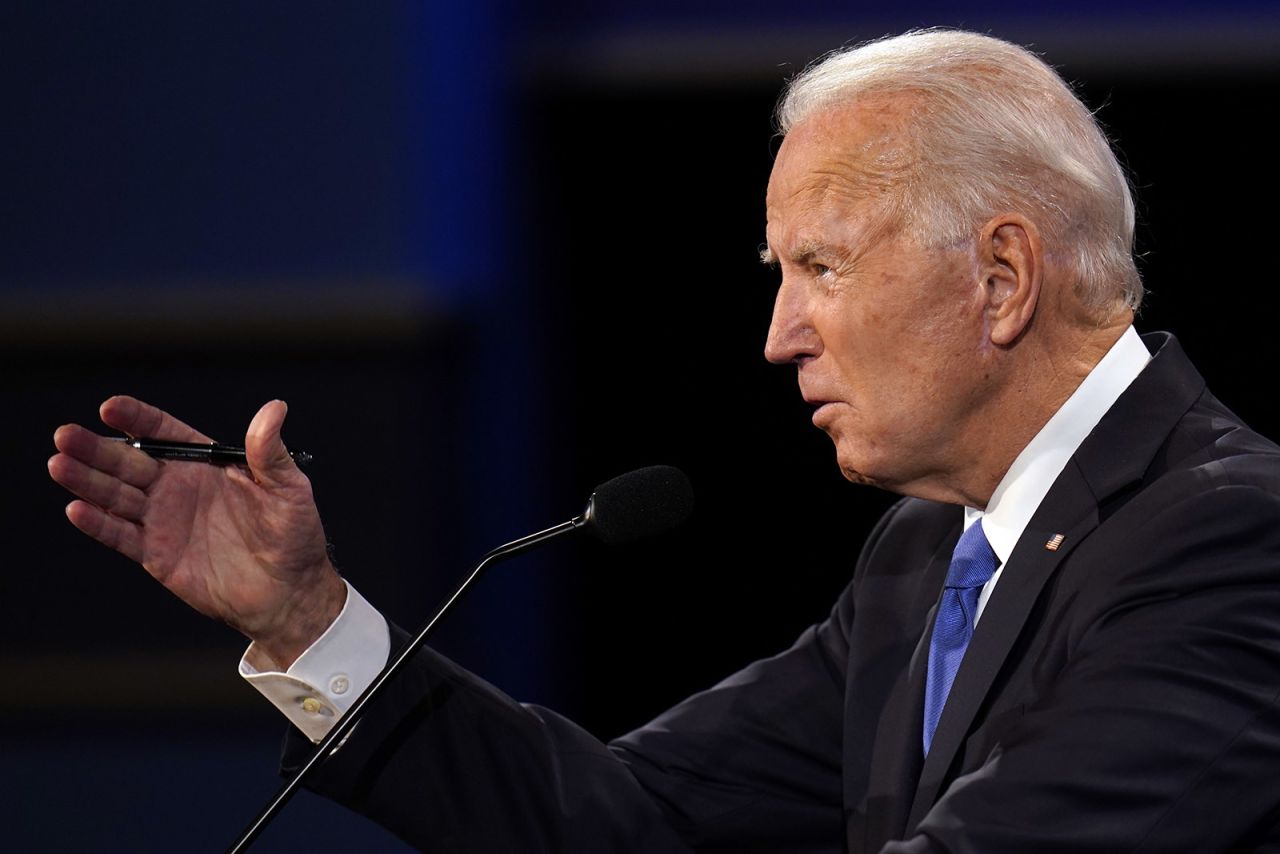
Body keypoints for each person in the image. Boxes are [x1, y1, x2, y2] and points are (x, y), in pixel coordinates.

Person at [47, 28, 1280, 853]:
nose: (777, 333)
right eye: (776, 272)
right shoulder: (922, 558)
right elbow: (623, 817)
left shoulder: (1230, 534)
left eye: (821, 266)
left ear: (1000, 275)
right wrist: (308, 620)